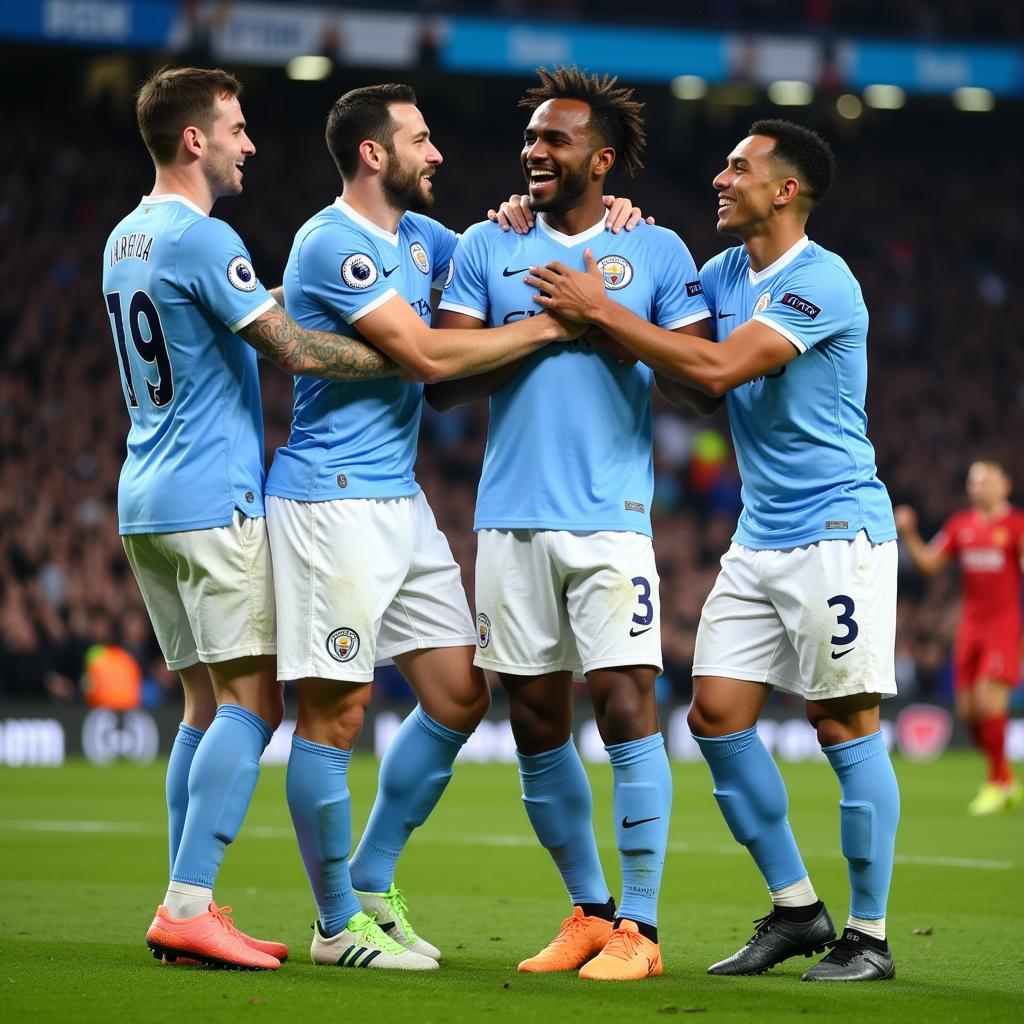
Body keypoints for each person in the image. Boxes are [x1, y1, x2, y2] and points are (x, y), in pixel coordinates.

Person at [264, 83, 639, 972]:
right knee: (336, 712)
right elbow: (429, 357)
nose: (438, 155)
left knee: (463, 695)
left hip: (400, 501)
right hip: (329, 500)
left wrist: (593, 213)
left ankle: (370, 878)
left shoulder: (425, 239)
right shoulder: (333, 243)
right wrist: (556, 325)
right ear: (371, 154)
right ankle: (333, 927)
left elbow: (504, 242)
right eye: (420, 140)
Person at [529, 119, 900, 983]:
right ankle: (799, 910)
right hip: (760, 534)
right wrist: (611, 227)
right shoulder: (724, 272)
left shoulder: (824, 282)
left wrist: (604, 310)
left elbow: (721, 369)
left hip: (838, 533)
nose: (720, 178)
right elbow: (676, 344)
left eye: (740, 167)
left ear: (786, 190)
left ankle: (872, 938)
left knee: (841, 721)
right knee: (715, 718)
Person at [104, 66, 400, 971]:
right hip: (209, 497)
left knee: (202, 704)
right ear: (194, 139)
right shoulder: (203, 236)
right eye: (234, 127)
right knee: (254, 701)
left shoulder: (125, 237)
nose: (249, 142)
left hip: (145, 496)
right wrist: (406, 356)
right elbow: (290, 348)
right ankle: (189, 904)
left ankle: (184, 896)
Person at [429, 66, 711, 982]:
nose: (534, 151)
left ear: (606, 157)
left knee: (627, 703)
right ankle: (590, 912)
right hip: (508, 517)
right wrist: (548, 329)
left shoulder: (660, 252)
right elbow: (446, 380)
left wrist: (604, 318)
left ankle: (644, 928)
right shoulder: (487, 242)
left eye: (555, 140)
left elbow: (695, 386)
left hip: (610, 519)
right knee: (536, 717)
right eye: (531, 139)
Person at [895, 460, 1024, 814]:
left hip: (1003, 626)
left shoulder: (1016, 527)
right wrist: (909, 532)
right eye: (973, 480)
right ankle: (1005, 779)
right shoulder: (960, 525)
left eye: (986, 479)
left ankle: (999, 782)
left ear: (1005, 485)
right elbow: (929, 564)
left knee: (988, 703)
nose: (978, 486)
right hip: (970, 628)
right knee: (967, 713)